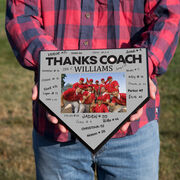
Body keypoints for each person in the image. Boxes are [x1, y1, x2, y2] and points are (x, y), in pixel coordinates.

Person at [5, 0, 180, 179]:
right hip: (58, 127)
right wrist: (49, 67)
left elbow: (168, 15)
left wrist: (144, 65)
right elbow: (22, 14)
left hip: (132, 125)